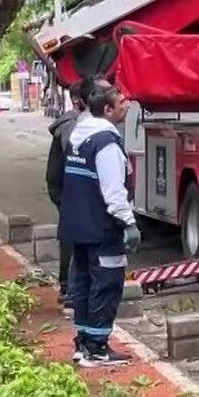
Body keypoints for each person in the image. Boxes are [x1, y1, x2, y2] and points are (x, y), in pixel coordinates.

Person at [61, 81, 141, 368]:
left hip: (78, 226)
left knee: (82, 282)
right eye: (121, 102)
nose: (127, 105)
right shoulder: (105, 143)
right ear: (107, 110)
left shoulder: (78, 137)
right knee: (106, 284)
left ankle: (84, 342)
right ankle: (97, 347)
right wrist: (129, 223)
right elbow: (113, 191)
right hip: (102, 227)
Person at [45, 83, 89, 315]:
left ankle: (68, 287)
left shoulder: (73, 122)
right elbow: (75, 156)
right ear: (76, 100)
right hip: (68, 190)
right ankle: (69, 289)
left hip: (63, 189)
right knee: (73, 240)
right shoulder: (73, 126)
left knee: (71, 237)